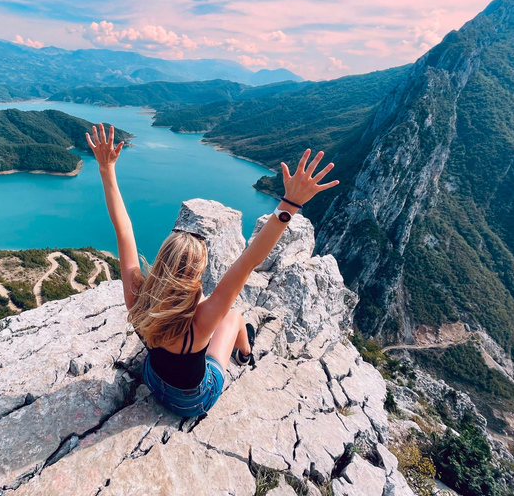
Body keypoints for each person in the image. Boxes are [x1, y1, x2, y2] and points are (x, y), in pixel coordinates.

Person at [86, 124, 339, 417]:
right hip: (191, 402)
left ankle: (244, 352)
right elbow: (250, 260)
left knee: (225, 319)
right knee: (234, 318)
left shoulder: (138, 299)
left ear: (162, 263)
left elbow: (124, 229)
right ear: (194, 276)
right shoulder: (204, 319)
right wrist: (290, 203)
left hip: (154, 380)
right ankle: (245, 355)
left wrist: (106, 169)